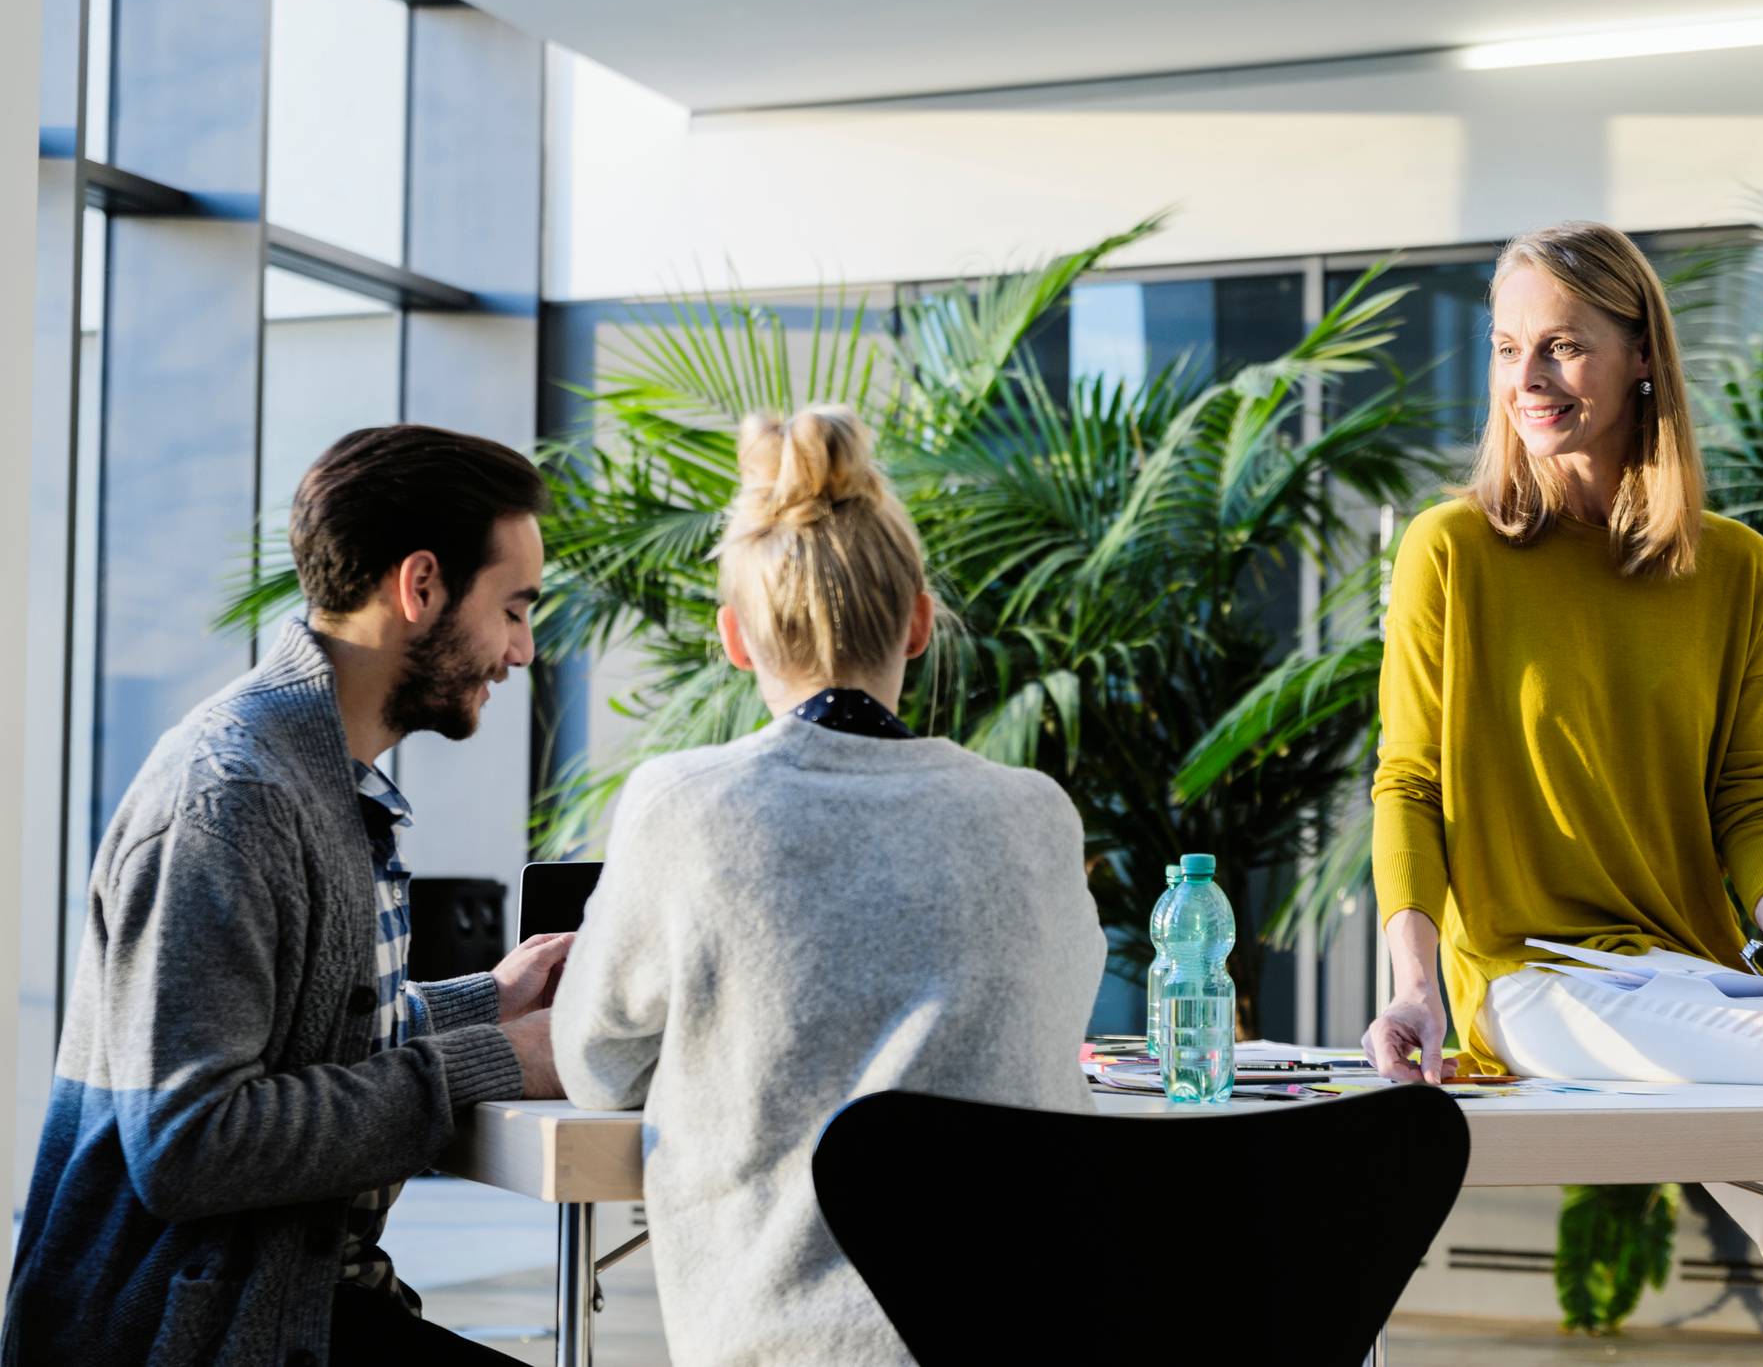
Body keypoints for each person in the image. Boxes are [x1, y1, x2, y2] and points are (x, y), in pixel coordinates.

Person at [1360, 222, 1763, 1367]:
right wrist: (1416, 988)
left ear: (1640, 357)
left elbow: (1752, 788)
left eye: (1562, 347)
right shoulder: (1451, 551)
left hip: (1684, 975)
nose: (1527, 379)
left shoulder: (1731, 568)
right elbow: (1410, 781)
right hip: (1529, 983)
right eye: (1506, 347)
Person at [3, 424, 573, 1367]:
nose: (521, 651)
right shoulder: (233, 802)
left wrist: (494, 998)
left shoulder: (321, 781)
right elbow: (191, 1142)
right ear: (420, 585)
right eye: (513, 609)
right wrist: (497, 1061)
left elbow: (305, 1039)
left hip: (291, 1307)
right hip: (188, 1338)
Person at [552, 405, 1105, 1367]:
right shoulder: (1037, 816)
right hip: (1023, 1333)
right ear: (921, 621)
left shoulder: (682, 807)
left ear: (733, 637)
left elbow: (596, 1063)